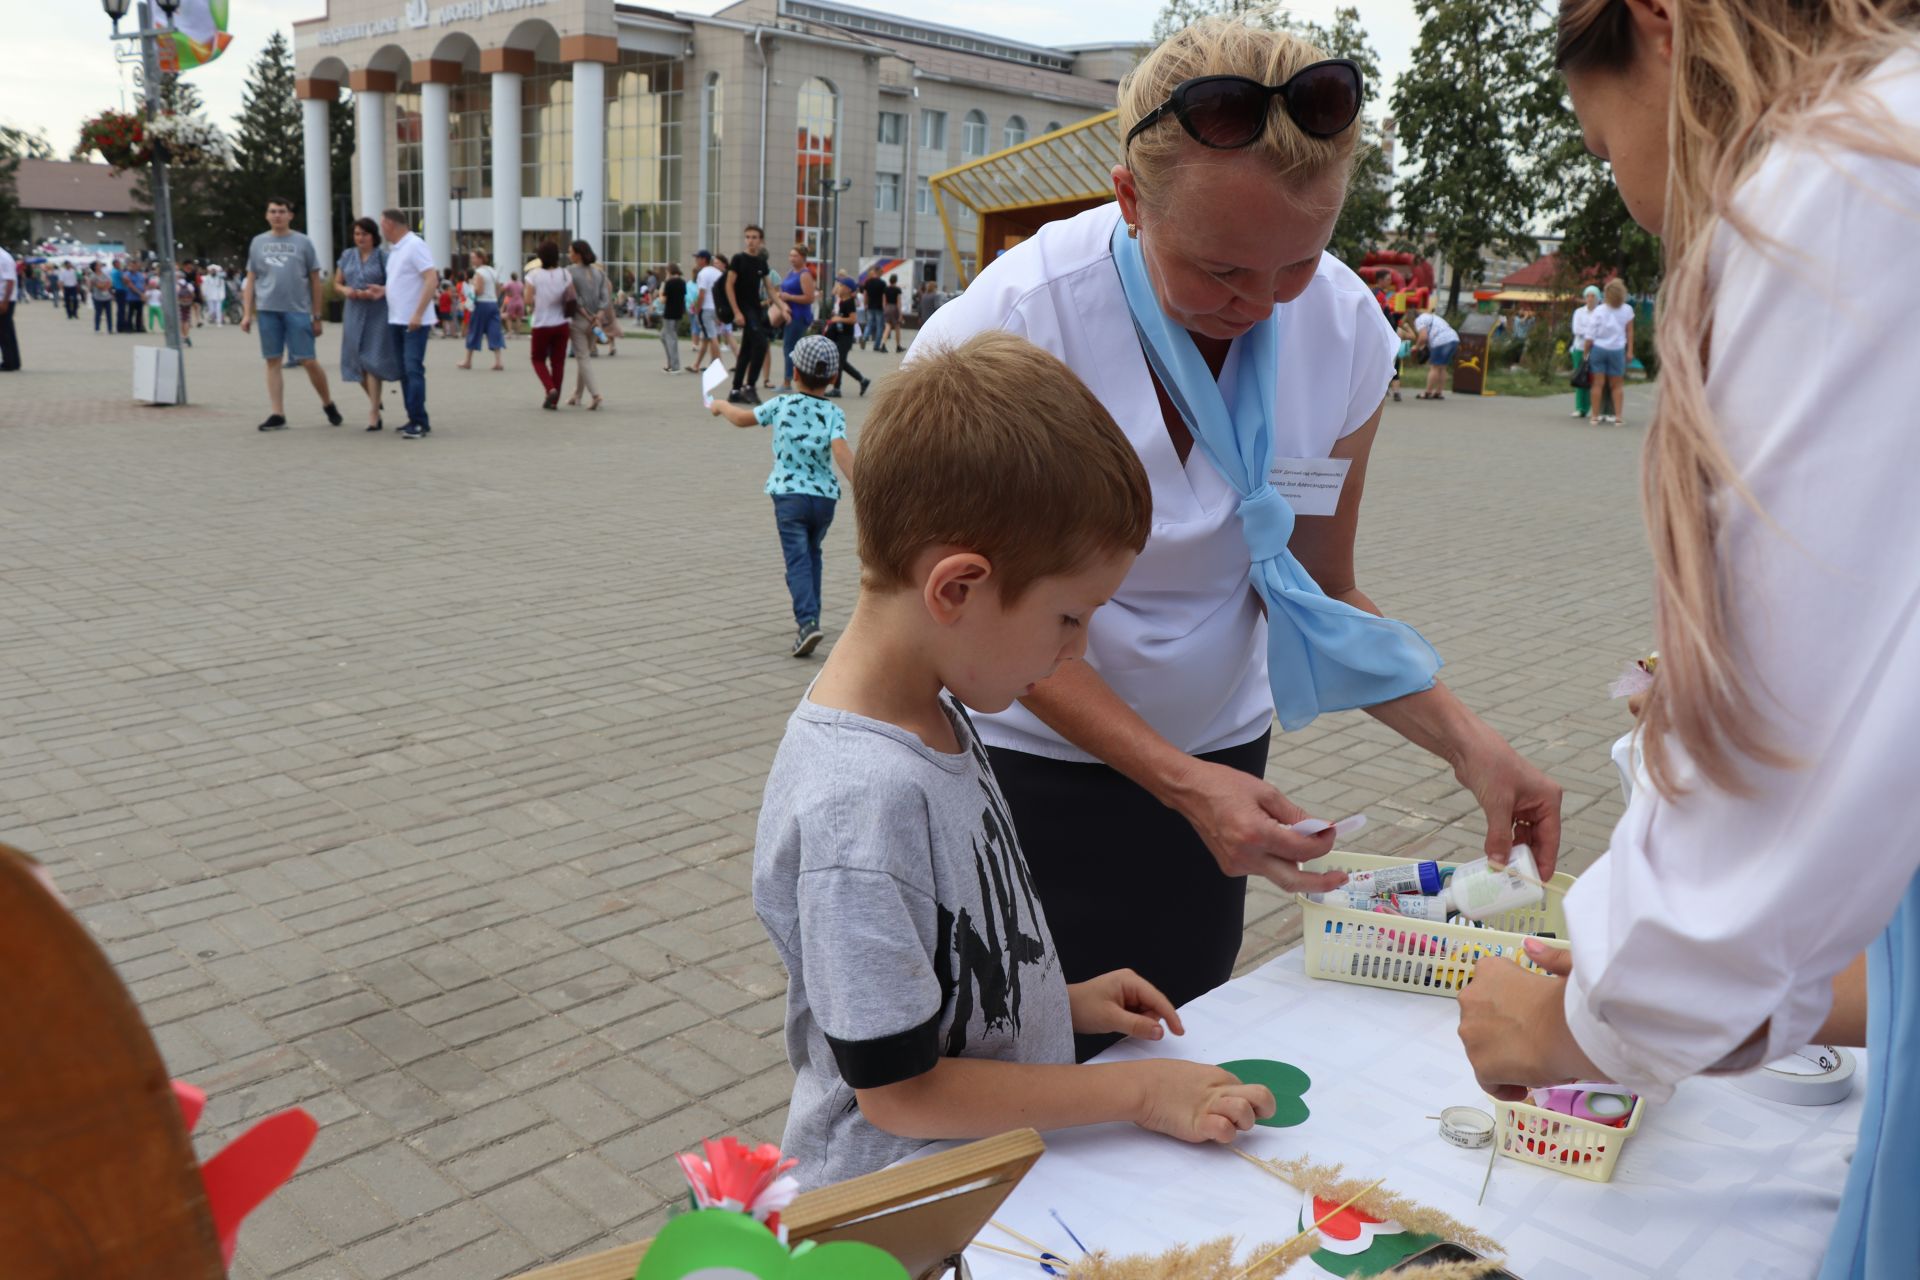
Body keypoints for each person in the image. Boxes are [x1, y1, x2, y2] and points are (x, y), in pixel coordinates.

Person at [912, 15, 1562, 1056]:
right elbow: (974, 622)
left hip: (1224, 774)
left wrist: (1473, 747)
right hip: (1028, 769)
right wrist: (1175, 779)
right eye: (1220, 270)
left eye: (1297, 261)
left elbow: (1320, 585)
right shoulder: (1017, 325)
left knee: (1174, 1058)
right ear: (1129, 199)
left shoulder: (1347, 328)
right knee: (1015, 1080)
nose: (1261, 307)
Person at [1456, 5, 1920, 1277]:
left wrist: (1580, 1018)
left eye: (1604, 145)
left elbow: (1786, 764)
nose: (1637, 198)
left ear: (1660, 32)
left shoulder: (1848, 179)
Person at [753, 331, 1280, 1187]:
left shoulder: (942, 711)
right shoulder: (861, 806)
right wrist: (1138, 1092)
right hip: (907, 1211)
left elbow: (939, 983)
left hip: (988, 1177)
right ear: (957, 588)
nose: (1082, 649)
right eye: (1071, 617)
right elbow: (901, 1093)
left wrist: (1056, 1005)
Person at [709, 335, 854, 655]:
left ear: (795, 373)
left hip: (789, 497)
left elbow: (742, 419)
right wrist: (865, 484)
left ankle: (806, 623)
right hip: (824, 501)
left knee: (798, 559)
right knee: (813, 553)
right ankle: (812, 615)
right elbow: (841, 451)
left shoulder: (781, 403)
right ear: (833, 377)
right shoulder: (834, 414)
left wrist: (720, 405)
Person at [241, 197, 342, 432]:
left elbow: (315, 280)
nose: (277, 215)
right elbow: (251, 279)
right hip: (267, 309)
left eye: (282, 211)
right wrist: (247, 313)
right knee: (273, 360)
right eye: (273, 211)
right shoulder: (258, 243)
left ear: (290, 215)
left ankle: (328, 403)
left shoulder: (303, 242)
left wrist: (317, 315)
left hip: (297, 309)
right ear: (267, 215)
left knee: (307, 359)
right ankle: (278, 413)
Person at [335, 217, 402, 432]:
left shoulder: (383, 256)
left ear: (373, 236)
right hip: (354, 310)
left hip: (377, 311)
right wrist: (347, 290)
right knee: (356, 359)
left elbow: (393, 282)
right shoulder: (347, 256)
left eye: (364, 234)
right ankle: (375, 399)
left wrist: (376, 291)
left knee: (371, 358)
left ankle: (373, 411)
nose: (360, 238)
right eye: (357, 234)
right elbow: (338, 283)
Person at [378, 207, 438, 439]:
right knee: (404, 370)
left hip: (413, 321)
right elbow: (403, 282)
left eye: (382, 224)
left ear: (391, 225)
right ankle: (414, 417)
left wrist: (417, 314)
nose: (382, 229)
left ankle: (419, 422)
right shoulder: (396, 250)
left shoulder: (414, 245)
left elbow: (431, 279)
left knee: (413, 369)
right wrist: (382, 290)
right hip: (397, 318)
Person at [727, 225, 774, 403]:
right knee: (761, 345)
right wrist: (736, 311)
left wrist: (782, 307)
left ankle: (735, 390)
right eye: (747, 237)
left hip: (755, 309)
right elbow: (729, 285)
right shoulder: (738, 259)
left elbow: (770, 288)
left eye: (754, 237)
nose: (751, 240)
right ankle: (750, 386)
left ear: (760, 240)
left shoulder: (761, 262)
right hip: (744, 310)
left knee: (746, 350)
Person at [524, 240, 571, 411]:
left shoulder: (533, 275)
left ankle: (549, 388)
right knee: (558, 362)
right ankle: (554, 399)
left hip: (541, 323)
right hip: (561, 323)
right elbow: (571, 296)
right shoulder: (565, 274)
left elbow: (528, 300)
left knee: (537, 359)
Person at [565, 240, 608, 410]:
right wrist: (598, 316)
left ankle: (596, 394)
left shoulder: (570, 272)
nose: (569, 255)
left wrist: (587, 315)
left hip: (578, 320)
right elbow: (605, 298)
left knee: (582, 357)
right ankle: (576, 395)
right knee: (584, 359)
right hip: (596, 322)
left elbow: (574, 299)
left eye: (570, 251)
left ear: (578, 254)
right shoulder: (599, 273)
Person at [1585, 277, 1634, 423]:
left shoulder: (1599, 310)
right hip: (1617, 350)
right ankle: (1618, 417)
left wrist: (1586, 351)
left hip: (1599, 349)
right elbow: (1630, 331)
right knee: (1617, 385)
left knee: (1597, 384)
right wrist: (1630, 350)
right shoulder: (1627, 310)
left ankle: (1594, 416)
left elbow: (1590, 334)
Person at [776, 245, 817, 392]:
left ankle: (788, 382)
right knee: (789, 347)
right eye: (791, 255)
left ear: (803, 257)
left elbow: (810, 297)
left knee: (789, 348)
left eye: (795, 256)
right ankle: (791, 380)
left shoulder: (805, 274)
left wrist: (789, 297)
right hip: (788, 314)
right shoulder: (791, 272)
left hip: (798, 316)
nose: (792, 259)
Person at [457, 248, 505, 372]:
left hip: (481, 305)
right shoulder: (492, 271)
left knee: (474, 330)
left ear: (480, 258)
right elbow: (499, 288)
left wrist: (472, 287)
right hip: (493, 303)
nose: (472, 260)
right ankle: (498, 361)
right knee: (494, 331)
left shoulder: (479, 272)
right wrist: (495, 298)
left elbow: (479, 291)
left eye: (473, 257)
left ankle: (468, 361)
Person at [822, 276, 870, 398]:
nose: (839, 287)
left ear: (848, 289)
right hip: (840, 336)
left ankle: (837, 389)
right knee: (842, 363)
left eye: (841, 285)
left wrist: (839, 318)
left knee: (839, 363)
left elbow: (853, 319)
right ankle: (862, 380)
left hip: (846, 337)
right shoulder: (842, 301)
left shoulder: (849, 302)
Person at [689, 249, 724, 374]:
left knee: (712, 336)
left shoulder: (703, 274)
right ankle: (696, 364)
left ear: (703, 259)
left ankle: (718, 364)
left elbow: (701, 294)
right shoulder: (718, 273)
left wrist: (697, 309)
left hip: (707, 308)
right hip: (717, 308)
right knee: (706, 338)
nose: (696, 260)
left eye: (697, 258)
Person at [1411, 307, 1458, 399]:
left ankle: (1428, 392)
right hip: (1454, 339)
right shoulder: (1432, 317)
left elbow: (1423, 337)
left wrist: (1416, 347)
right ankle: (1438, 392)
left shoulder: (1419, 320)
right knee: (1442, 367)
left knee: (1434, 367)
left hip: (1441, 341)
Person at [1569, 284, 1601, 418]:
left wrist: (1589, 332)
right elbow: (1577, 330)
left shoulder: (1601, 312)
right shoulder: (1579, 312)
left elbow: (1602, 330)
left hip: (1597, 348)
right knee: (1580, 375)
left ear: (1598, 298)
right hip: (1580, 348)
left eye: (1593, 295)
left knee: (1594, 378)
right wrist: (1591, 333)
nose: (1590, 298)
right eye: (1588, 295)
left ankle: (1592, 408)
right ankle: (1580, 408)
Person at [659, 262, 686, 372]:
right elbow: (683, 297)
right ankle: (671, 363)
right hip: (678, 313)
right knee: (663, 336)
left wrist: (660, 293)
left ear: (669, 271)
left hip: (669, 314)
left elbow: (663, 300)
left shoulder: (669, 283)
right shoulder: (682, 282)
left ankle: (675, 366)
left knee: (671, 339)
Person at [0, 241, 18, 372]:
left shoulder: (3, 258)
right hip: (4, 298)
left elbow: (10, 281)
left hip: (5, 299)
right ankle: (14, 361)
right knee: (8, 331)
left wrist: (5, 301)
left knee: (4, 332)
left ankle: (9, 362)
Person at [861, 270, 887, 350]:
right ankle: (876, 346)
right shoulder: (882, 283)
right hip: (879, 307)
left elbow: (865, 295)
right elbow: (884, 296)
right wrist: (884, 306)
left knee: (869, 324)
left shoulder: (867, 283)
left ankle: (864, 337)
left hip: (870, 306)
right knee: (879, 327)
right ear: (878, 274)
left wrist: (865, 304)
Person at [881, 272, 904, 353]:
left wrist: (885, 309)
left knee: (887, 327)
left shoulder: (885, 289)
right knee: (897, 327)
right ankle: (898, 346)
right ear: (896, 281)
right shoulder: (898, 290)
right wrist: (900, 314)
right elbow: (898, 303)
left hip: (887, 307)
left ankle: (883, 344)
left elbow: (884, 301)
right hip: (894, 308)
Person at [89, 262, 114, 333]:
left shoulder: (104, 274)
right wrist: (104, 285)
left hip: (107, 296)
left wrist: (104, 285)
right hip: (98, 297)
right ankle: (97, 328)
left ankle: (110, 329)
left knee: (109, 314)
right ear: (95, 267)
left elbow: (110, 283)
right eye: (98, 265)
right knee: (98, 313)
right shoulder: (93, 276)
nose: (100, 266)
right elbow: (98, 286)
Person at [501, 270, 524, 336]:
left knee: (509, 317)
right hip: (520, 301)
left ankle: (510, 332)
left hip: (512, 301)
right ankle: (518, 332)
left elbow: (502, 289)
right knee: (519, 318)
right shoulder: (520, 284)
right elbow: (523, 292)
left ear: (511, 277)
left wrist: (508, 292)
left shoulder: (509, 283)